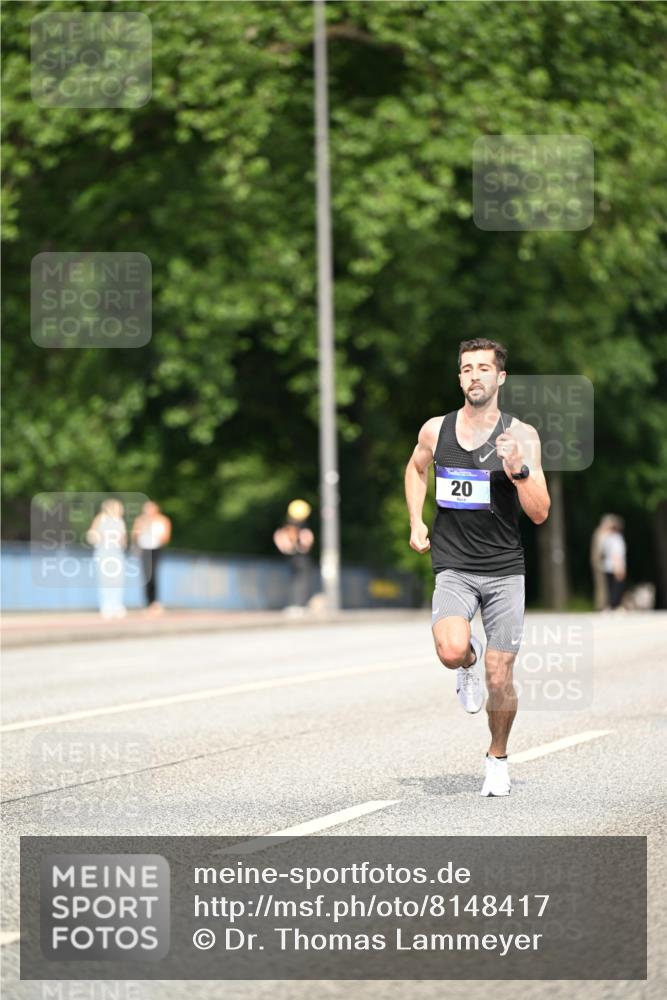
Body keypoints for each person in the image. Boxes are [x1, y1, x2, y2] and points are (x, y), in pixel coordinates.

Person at [404, 338, 551, 797]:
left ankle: (498, 759)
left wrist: (519, 470)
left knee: (500, 676)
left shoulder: (521, 436)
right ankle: (465, 661)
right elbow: (415, 469)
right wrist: (416, 520)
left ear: (500, 378)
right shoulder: (436, 430)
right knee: (451, 650)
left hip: (505, 568)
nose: (474, 376)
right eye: (466, 369)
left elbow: (541, 513)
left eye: (483, 368)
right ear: (460, 378)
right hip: (454, 564)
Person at [86, 498, 127, 620]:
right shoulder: (100, 518)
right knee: (105, 580)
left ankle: (117, 605)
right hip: (103, 553)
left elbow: (123, 539)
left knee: (118, 580)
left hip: (117, 553)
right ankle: (106, 606)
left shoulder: (120, 521)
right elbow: (92, 534)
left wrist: (122, 544)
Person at [273, 499, 315, 613]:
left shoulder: (286, 526)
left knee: (294, 580)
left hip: (291, 557)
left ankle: (295, 604)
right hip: (301, 557)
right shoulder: (302, 528)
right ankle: (300, 604)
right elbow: (307, 541)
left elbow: (280, 539)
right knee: (302, 581)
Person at [131, 500, 172, 612]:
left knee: (154, 574)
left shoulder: (162, 520)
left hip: (156, 549)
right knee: (146, 575)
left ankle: (155, 601)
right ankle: (147, 602)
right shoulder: (140, 520)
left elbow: (166, 537)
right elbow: (134, 535)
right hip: (145, 549)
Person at [600, 515, 626, 610]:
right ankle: (614, 606)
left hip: (607, 566)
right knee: (616, 588)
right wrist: (618, 568)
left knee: (610, 588)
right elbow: (616, 553)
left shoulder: (607, 538)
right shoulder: (616, 538)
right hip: (615, 566)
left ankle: (610, 606)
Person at [590, 514, 614, 610]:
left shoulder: (605, 533)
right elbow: (599, 550)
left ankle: (606, 604)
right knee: (601, 584)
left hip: (604, 562)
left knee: (606, 585)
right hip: (599, 562)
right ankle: (600, 605)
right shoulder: (600, 533)